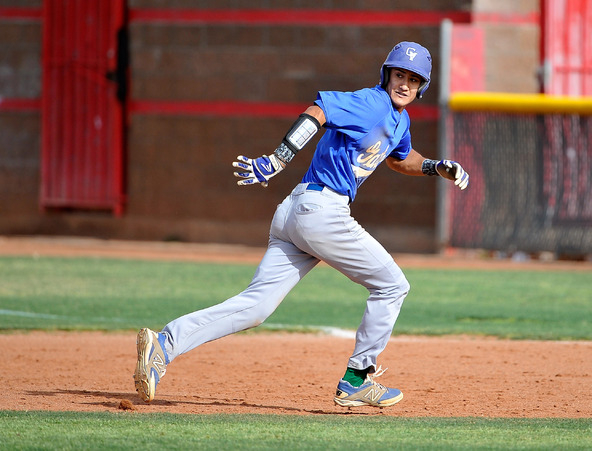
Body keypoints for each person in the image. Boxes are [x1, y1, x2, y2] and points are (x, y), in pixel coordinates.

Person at [134, 41, 469, 408]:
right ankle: (358, 378)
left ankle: (164, 346)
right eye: (399, 74)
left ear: (422, 86)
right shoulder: (372, 103)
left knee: (255, 307)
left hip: (295, 212)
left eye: (413, 78)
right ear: (386, 75)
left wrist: (436, 166)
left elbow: (399, 159)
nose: (404, 83)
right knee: (392, 286)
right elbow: (319, 109)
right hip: (321, 211)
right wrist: (279, 157)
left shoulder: (398, 120)